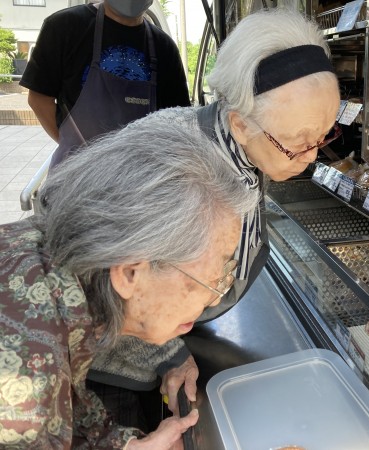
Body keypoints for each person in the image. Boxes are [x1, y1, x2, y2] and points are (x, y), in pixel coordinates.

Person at [85, 7, 342, 428]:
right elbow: (102, 279)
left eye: (323, 135)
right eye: (298, 142)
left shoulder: (247, 146)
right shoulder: (175, 165)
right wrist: (168, 352)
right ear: (239, 123)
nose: (312, 156)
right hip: (116, 363)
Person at [0, 116, 259, 448]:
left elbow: (67, 411)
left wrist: (127, 446)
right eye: (209, 282)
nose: (214, 300)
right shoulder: (27, 372)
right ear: (129, 274)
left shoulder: (55, 268)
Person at [19, 0, 190, 170]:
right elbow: (39, 100)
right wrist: (73, 146)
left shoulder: (164, 47)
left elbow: (176, 122)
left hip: (138, 177)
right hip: (75, 174)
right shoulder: (64, 26)